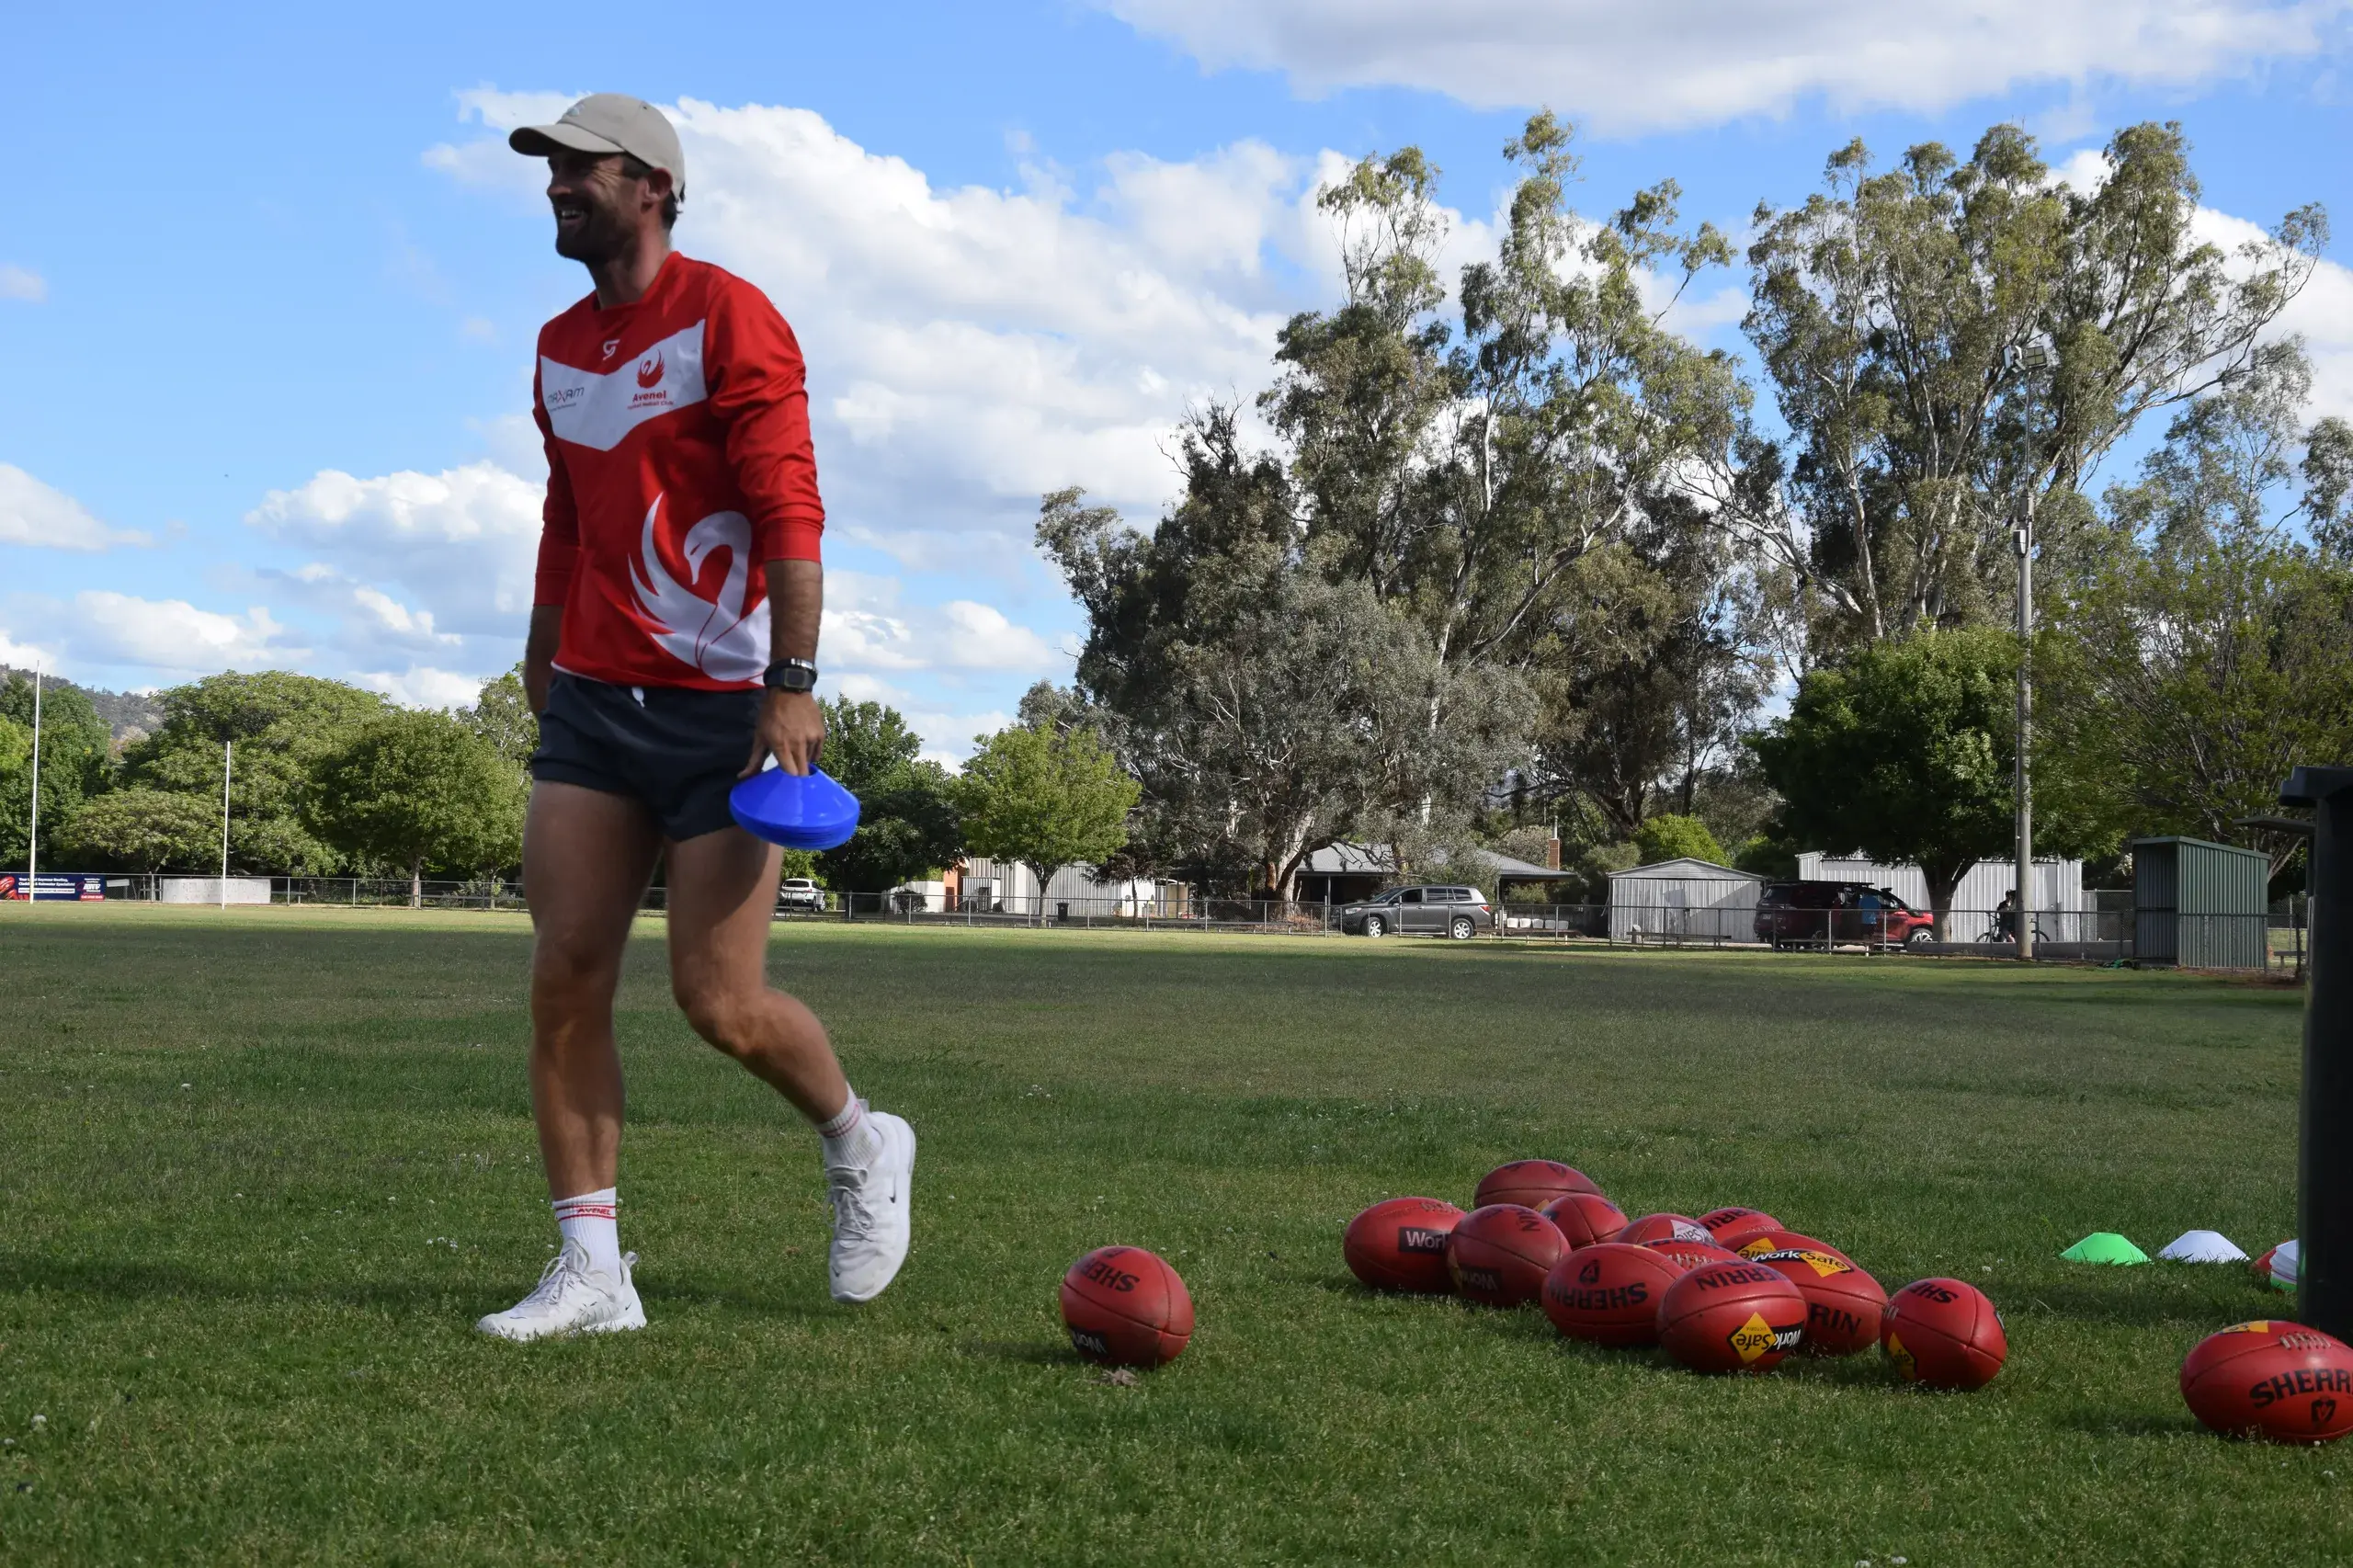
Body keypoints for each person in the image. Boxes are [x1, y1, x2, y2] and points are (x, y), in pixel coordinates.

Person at [475, 95, 915, 1342]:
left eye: (580, 168)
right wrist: (542, 634)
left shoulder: (730, 315)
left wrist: (795, 678)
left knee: (717, 1000)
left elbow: (790, 506)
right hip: (594, 705)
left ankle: (861, 1140)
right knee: (564, 970)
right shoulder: (561, 345)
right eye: (548, 170)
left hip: (725, 706)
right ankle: (593, 1273)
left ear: (655, 183)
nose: (557, 185)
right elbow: (569, 506)